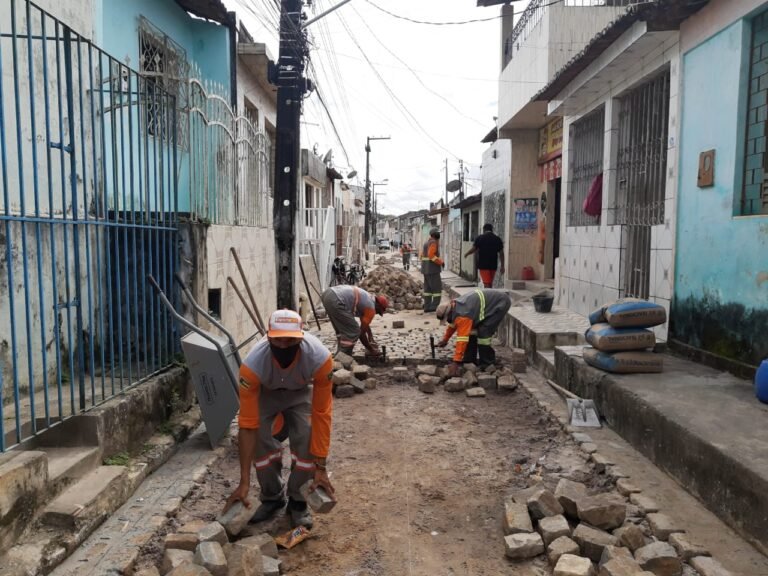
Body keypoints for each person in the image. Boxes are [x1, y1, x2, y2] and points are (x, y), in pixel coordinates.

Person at [223, 309, 335, 530]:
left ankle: (298, 500)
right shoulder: (252, 367)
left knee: (306, 436)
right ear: (268, 336)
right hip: (267, 392)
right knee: (261, 439)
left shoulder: (320, 359)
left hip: (300, 390)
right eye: (278, 340)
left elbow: (322, 415)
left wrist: (320, 467)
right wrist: (244, 483)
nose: (284, 345)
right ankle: (272, 497)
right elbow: (247, 425)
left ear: (301, 336)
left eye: (290, 340)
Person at [435, 289, 512, 373]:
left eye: (446, 319)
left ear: (449, 313)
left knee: (484, 333)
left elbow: (462, 340)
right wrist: (445, 340)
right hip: (489, 303)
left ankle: (487, 363)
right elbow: (452, 326)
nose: (447, 321)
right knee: (472, 331)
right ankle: (470, 360)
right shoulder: (455, 306)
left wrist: (456, 362)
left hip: (499, 303)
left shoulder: (463, 315)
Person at [320, 285, 389, 355]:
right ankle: (343, 356)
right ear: (378, 305)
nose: (376, 313)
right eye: (378, 312)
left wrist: (370, 336)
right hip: (336, 299)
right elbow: (361, 333)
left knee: (341, 330)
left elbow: (365, 324)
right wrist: (371, 349)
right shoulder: (371, 309)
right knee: (354, 331)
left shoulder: (369, 298)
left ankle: (340, 353)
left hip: (328, 294)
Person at [465, 223, 504, 288]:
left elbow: (474, 249)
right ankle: (490, 296)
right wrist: (502, 266)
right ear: (492, 230)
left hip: (483, 265)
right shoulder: (497, 239)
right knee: (490, 283)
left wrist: (467, 253)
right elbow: (501, 253)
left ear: (484, 229)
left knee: (486, 284)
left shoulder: (480, 238)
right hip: (493, 265)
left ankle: (487, 297)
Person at [421, 227, 444, 313]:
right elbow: (431, 255)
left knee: (428, 290)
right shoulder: (433, 242)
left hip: (425, 270)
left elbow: (422, 255)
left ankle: (427, 306)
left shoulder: (426, 243)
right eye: (438, 233)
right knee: (437, 289)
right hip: (433, 270)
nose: (439, 234)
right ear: (434, 235)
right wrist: (440, 262)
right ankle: (434, 306)